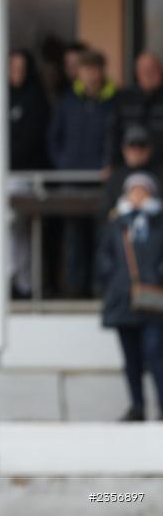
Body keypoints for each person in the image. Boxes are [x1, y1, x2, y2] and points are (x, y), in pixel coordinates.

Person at [48, 50, 117, 297]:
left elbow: (118, 138)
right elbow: (54, 138)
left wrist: (112, 165)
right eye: (85, 70)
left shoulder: (113, 102)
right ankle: (75, 289)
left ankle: (100, 287)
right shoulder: (68, 101)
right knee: (74, 238)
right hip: (72, 179)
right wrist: (63, 164)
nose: (90, 75)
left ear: (102, 71)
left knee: (102, 236)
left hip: (102, 181)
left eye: (94, 69)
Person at [96, 172, 163, 422]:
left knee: (155, 353)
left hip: (154, 299)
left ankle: (161, 404)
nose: (137, 196)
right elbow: (105, 257)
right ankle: (137, 405)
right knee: (130, 357)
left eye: (142, 191)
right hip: (123, 300)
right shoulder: (118, 223)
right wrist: (113, 283)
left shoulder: (158, 222)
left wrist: (156, 276)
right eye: (133, 191)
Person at [8, 50, 51, 298]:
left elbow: (34, 138)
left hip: (28, 174)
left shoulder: (35, 97)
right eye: (12, 67)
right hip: (0, 174)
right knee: (8, 228)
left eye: (21, 68)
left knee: (22, 226)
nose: (17, 73)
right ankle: (12, 278)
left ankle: (24, 282)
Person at [107, 52, 163, 167]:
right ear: (137, 73)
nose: (148, 74)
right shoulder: (124, 98)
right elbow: (113, 133)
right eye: (144, 70)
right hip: (129, 167)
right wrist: (111, 163)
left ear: (161, 71)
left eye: (152, 69)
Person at [103, 126, 161, 217]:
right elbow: (105, 214)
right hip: (122, 226)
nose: (137, 152)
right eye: (132, 146)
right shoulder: (116, 177)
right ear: (124, 149)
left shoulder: (159, 175)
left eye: (141, 146)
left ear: (149, 149)